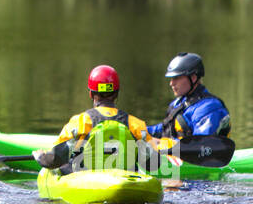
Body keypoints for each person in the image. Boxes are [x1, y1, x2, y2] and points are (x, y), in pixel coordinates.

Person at [33, 65, 177, 173]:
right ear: (117, 93)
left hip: (86, 182)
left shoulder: (81, 122)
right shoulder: (135, 124)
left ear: (91, 94)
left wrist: (41, 157)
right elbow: (153, 164)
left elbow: (55, 159)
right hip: (124, 183)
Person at [147, 53, 231, 139]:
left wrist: (160, 145)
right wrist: (141, 130)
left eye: (176, 78)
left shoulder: (209, 107)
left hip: (194, 152)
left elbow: (200, 144)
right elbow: (165, 129)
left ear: (193, 78)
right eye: (171, 79)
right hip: (175, 151)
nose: (171, 83)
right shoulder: (177, 104)